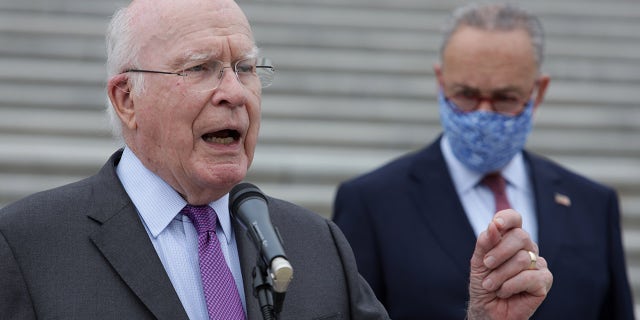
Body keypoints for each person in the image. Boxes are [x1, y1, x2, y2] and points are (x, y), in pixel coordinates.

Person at [0, 0, 552, 319]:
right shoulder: (27, 245)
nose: (234, 92)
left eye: (245, 68)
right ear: (127, 99)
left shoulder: (317, 244)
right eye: (200, 68)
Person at [333, 2, 634, 320]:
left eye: (505, 98)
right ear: (441, 82)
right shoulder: (372, 202)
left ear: (538, 92)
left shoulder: (592, 204)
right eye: (465, 95)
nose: (483, 114)